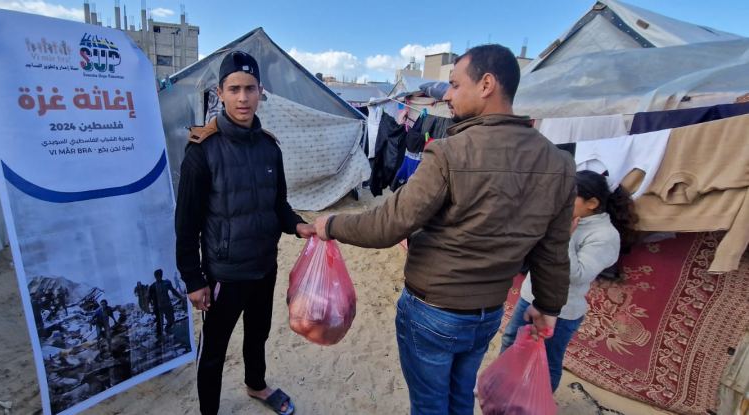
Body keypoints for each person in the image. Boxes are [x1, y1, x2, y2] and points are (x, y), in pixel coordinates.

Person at [314, 44, 576, 415]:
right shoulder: (559, 162)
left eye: (454, 84)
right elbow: (553, 249)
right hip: (487, 312)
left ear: (486, 84)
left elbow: (389, 224)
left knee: (430, 405)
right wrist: (548, 307)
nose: (447, 96)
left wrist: (331, 224)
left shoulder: (449, 153)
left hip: (434, 311)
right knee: (459, 398)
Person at [175, 50, 315, 415]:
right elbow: (186, 224)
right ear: (219, 93)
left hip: (264, 266)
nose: (243, 98)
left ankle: (256, 384)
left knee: (258, 333)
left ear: (260, 92)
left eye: (250, 88)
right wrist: (194, 280)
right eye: (234, 89)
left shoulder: (269, 147)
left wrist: (298, 225)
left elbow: (278, 204)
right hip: (225, 273)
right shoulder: (201, 151)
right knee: (214, 348)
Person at [501, 170, 638, 392]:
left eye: (569, 197)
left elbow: (577, 275)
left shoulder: (605, 235)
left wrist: (564, 238)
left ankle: (536, 404)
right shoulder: (565, 217)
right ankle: (501, 390)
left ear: (592, 203)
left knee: (546, 361)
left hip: (562, 311)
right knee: (510, 341)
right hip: (530, 296)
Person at [147, 269, 184, 340]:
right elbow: (149, 297)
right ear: (155, 276)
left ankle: (168, 330)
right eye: (157, 275)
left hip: (167, 305)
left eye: (160, 275)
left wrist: (181, 297)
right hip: (158, 307)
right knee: (160, 323)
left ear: (161, 275)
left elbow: (173, 291)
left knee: (171, 320)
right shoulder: (152, 286)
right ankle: (160, 338)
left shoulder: (167, 283)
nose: (159, 277)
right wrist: (149, 306)